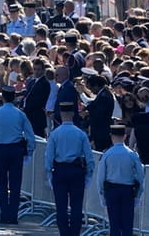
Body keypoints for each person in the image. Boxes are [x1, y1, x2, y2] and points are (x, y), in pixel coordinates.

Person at [0, 85, 36, 225]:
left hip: (0, 150)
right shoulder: (20, 114)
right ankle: (13, 215)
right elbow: (30, 136)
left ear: (2, 97)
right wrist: (29, 152)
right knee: (15, 183)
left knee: (1, 183)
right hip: (16, 150)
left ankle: (4, 214)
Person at [45, 101, 95, 236]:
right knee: (76, 206)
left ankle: (64, 233)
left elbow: (49, 157)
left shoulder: (55, 134)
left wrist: (49, 174)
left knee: (60, 206)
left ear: (61, 114)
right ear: (73, 114)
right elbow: (89, 158)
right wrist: (89, 175)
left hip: (60, 170)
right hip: (77, 170)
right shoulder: (80, 134)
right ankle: (74, 233)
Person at [96, 125, 145, 236]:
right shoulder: (132, 154)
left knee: (114, 225)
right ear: (125, 136)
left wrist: (101, 195)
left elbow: (100, 177)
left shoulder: (107, 154)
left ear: (111, 136)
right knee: (127, 225)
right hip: (128, 191)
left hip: (112, 191)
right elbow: (140, 176)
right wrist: (138, 195)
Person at [24, 57, 50, 137]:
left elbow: (40, 100)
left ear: (43, 70)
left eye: (38, 69)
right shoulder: (32, 81)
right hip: (28, 115)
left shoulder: (45, 83)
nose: (36, 71)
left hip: (37, 116)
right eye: (34, 69)